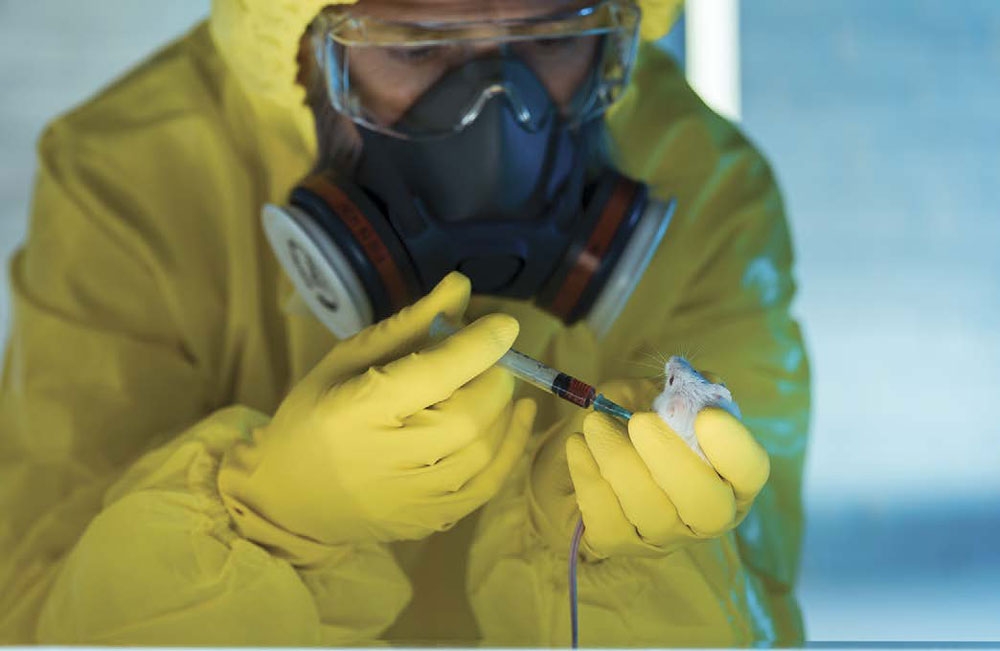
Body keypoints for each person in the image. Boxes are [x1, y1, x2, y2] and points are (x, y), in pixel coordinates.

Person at [0, 0, 810, 646]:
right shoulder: (133, 179)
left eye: (556, 40)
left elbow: (755, 614)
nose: (500, 119)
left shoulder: (708, 193)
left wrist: (635, 566)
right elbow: (42, 621)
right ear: (305, 52)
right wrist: (263, 520)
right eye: (418, 50)